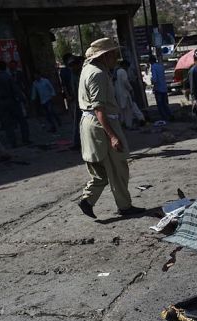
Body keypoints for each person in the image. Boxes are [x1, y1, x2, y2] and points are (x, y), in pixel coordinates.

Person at [77, 38, 144, 219]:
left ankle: (87, 200)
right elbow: (99, 109)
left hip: (91, 124)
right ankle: (124, 206)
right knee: (118, 168)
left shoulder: (88, 70)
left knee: (101, 171)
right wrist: (113, 136)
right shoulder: (97, 73)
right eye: (114, 54)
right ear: (105, 56)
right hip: (101, 125)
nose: (116, 57)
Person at [0, 61, 30, 148]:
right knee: (22, 121)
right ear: (5, 67)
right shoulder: (8, 77)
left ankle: (13, 142)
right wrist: (23, 99)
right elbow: (15, 89)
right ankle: (25, 139)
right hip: (12, 101)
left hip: (0, 103)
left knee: (7, 124)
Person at [114, 60, 145, 128]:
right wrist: (131, 89)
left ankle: (124, 123)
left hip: (119, 94)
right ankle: (129, 124)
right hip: (125, 94)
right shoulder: (122, 71)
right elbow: (125, 82)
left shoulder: (116, 72)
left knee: (123, 111)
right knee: (128, 110)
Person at [149, 55, 174, 121]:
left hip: (158, 88)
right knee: (165, 104)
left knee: (160, 105)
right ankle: (170, 115)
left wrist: (152, 81)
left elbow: (155, 79)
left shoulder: (153, 67)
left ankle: (164, 118)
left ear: (150, 62)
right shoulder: (160, 66)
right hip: (164, 87)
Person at [69, 55, 84, 150]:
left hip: (83, 101)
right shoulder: (74, 74)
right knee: (77, 123)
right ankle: (77, 143)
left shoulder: (82, 73)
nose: (72, 68)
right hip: (79, 101)